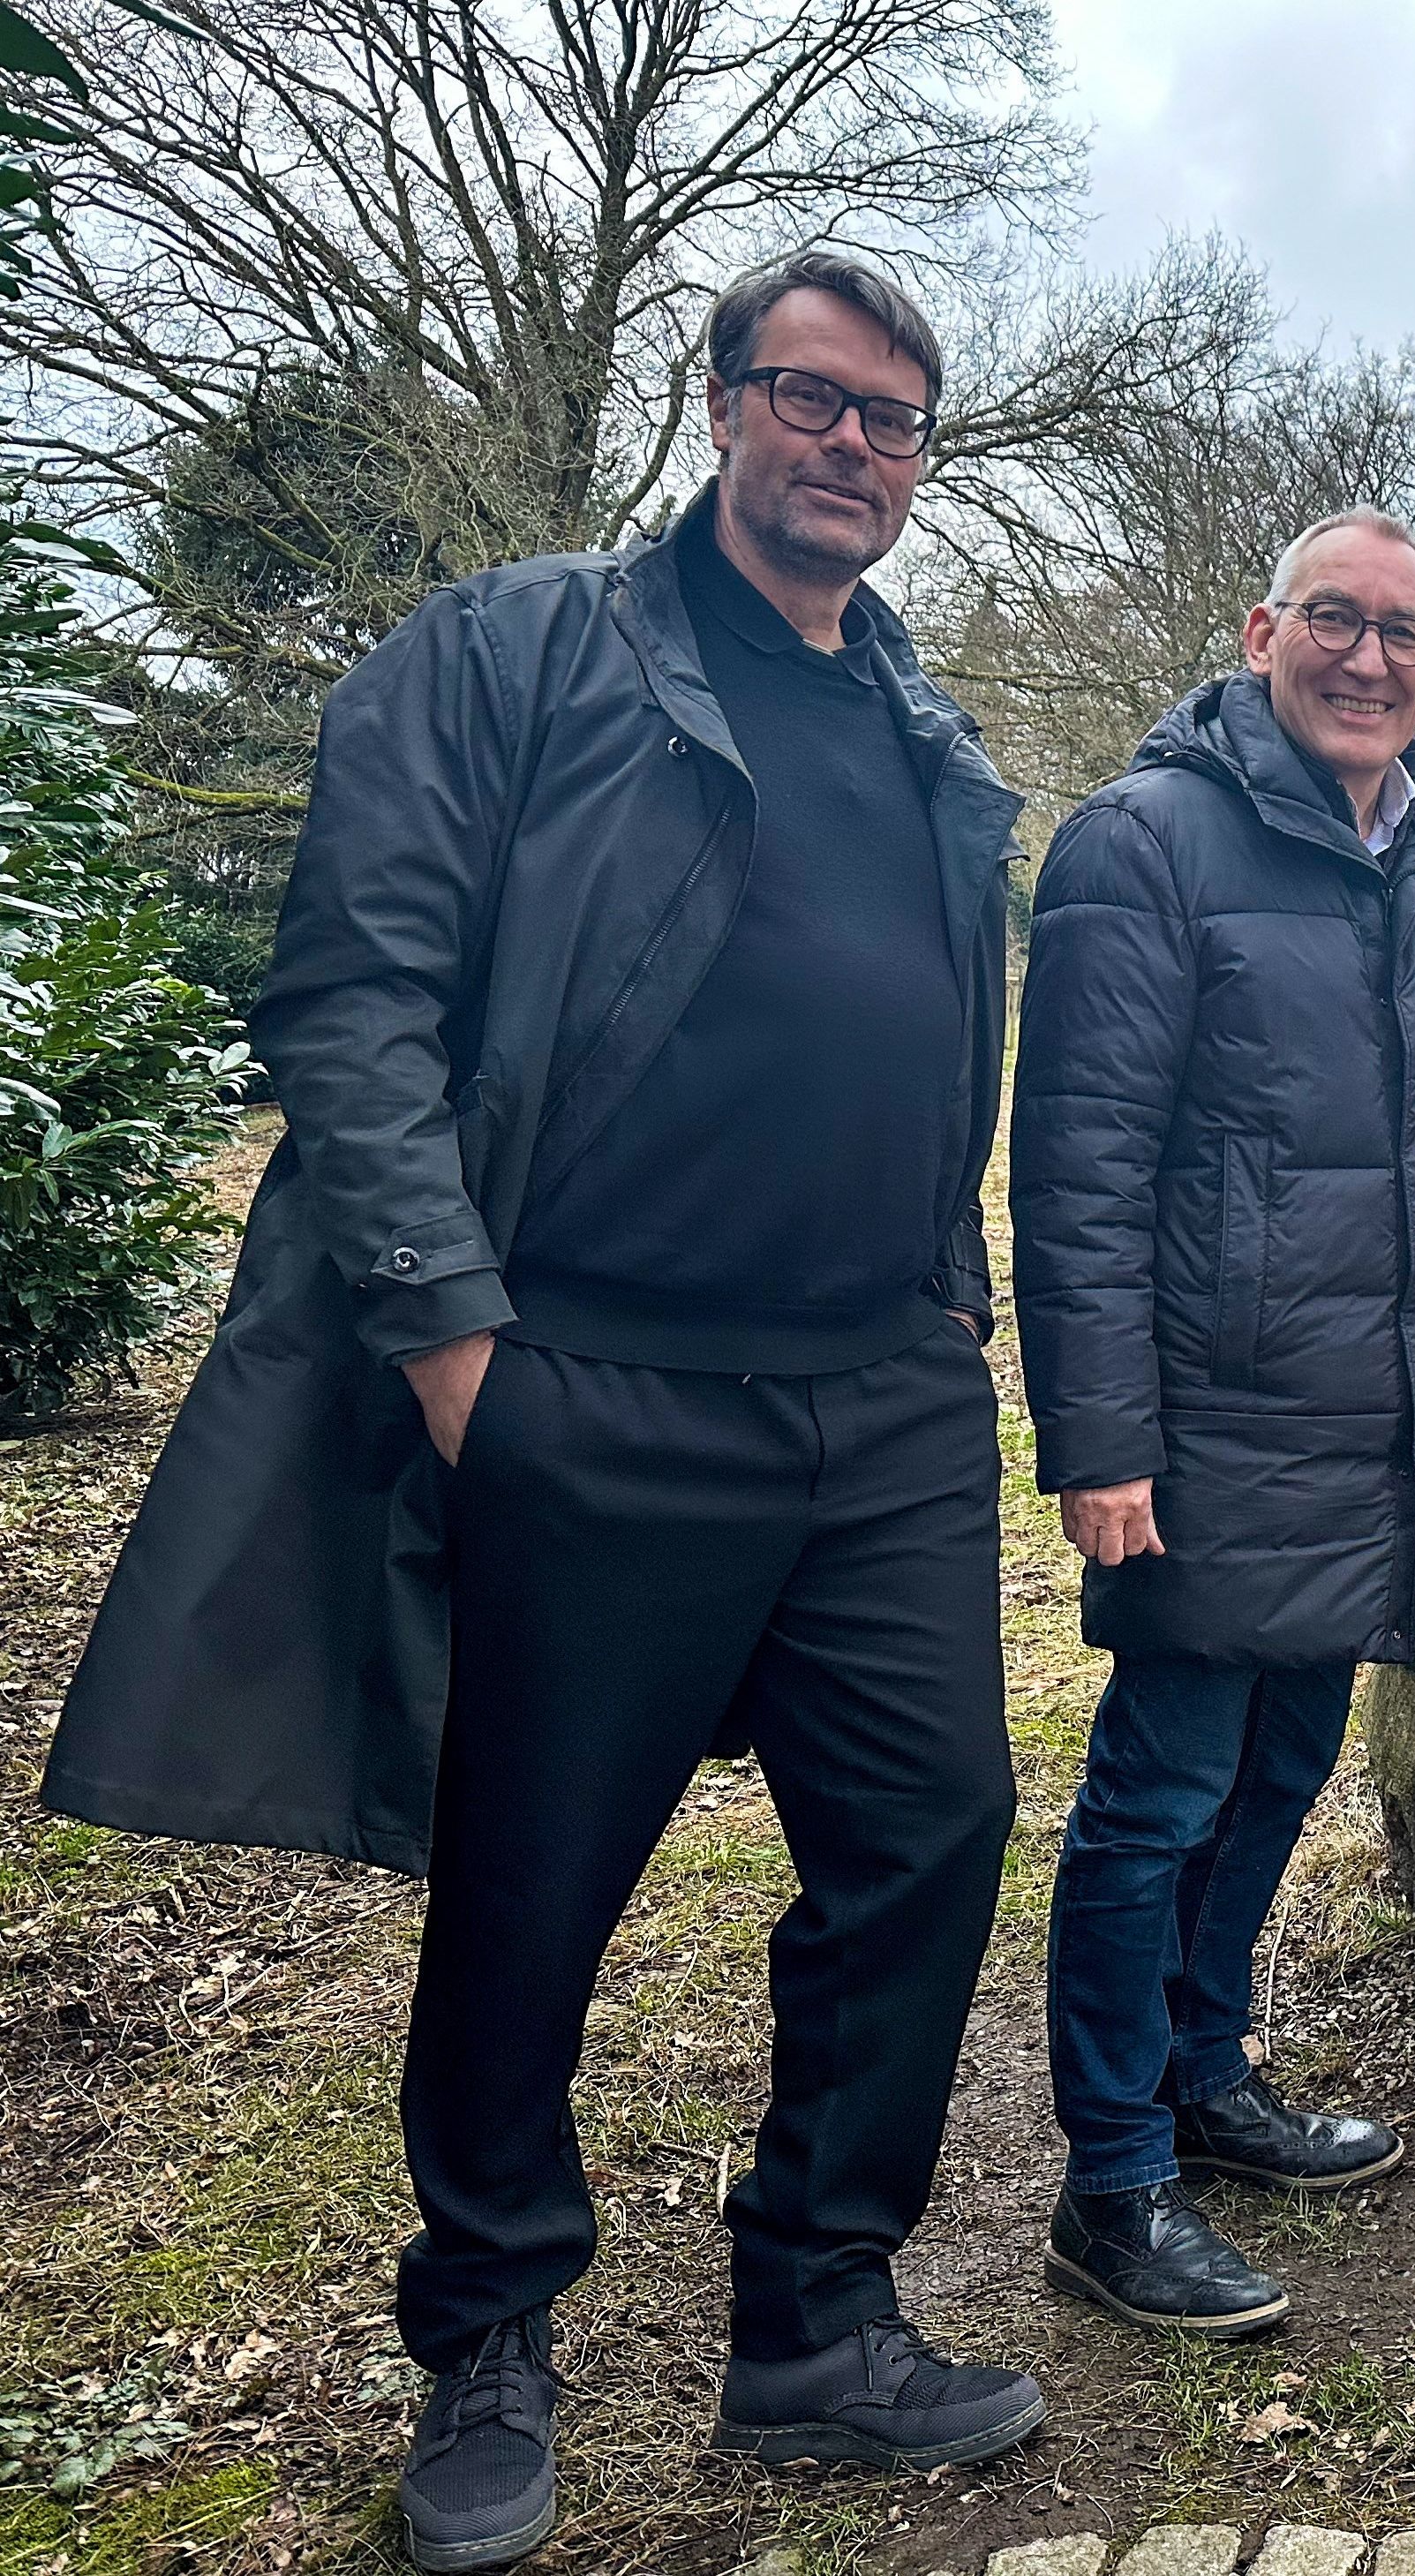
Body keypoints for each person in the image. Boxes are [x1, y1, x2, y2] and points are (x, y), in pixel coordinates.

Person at [44, 251, 1047, 2570]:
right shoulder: (512, 655)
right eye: (809, 396)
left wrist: (952, 1306)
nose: (852, 444)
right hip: (595, 1387)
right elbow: (354, 997)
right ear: (718, 409)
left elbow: (931, 1042)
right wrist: (461, 1354)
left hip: (879, 1400)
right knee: (535, 1885)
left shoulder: (924, 728)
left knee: (929, 1839)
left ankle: (817, 2312)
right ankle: (489, 2325)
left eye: (895, 419)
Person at [1012, 507, 1415, 2336]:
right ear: (1261, 630)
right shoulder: (1142, 845)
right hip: (1214, 1422)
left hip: (1374, 1419)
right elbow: (1077, 1169)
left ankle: (1208, 2075)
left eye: (1403, 631)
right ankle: (1113, 2176)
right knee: (1156, 1796)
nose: (1368, 657)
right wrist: (1099, 1438)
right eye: (1334, 619)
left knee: (1285, 1770)